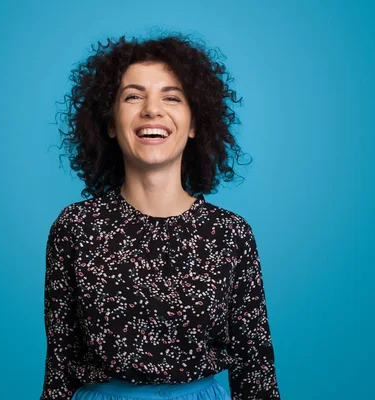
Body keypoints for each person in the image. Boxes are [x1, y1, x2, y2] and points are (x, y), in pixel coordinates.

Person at [41, 32, 281, 400]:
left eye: (171, 97)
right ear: (108, 123)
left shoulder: (230, 234)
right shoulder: (75, 228)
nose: (152, 109)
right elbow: (59, 368)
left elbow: (256, 373)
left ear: (195, 124)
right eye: (133, 96)